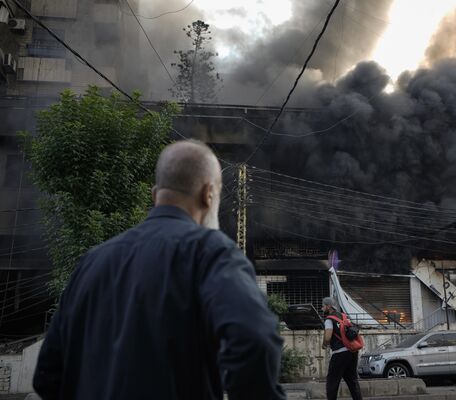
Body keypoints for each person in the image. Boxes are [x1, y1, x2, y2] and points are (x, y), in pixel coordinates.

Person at [33, 140, 286, 400]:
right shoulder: (211, 253)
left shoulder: (92, 262)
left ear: (155, 195)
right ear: (208, 194)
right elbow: (254, 340)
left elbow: (47, 376)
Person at [321, 297, 362, 400]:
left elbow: (328, 337)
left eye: (323, 306)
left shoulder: (329, 319)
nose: (322, 308)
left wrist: (324, 344)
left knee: (332, 381)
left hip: (339, 353)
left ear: (329, 306)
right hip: (352, 352)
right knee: (352, 380)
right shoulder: (344, 316)